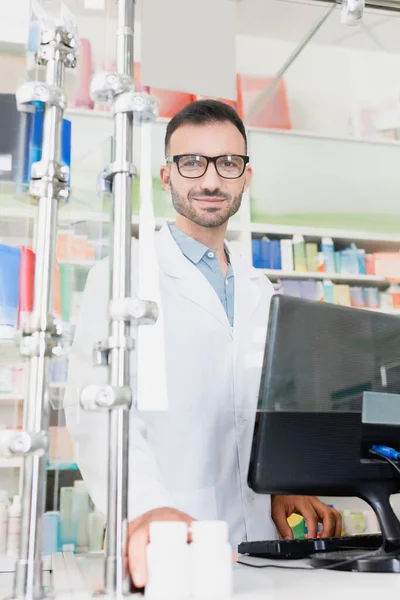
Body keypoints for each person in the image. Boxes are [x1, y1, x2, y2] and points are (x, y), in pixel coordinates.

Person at [65, 99, 341, 587]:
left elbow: (258, 412)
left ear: (245, 177)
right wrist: (145, 507)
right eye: (191, 163)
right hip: (167, 543)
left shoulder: (262, 290)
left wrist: (282, 485)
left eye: (227, 163)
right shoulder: (124, 276)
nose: (210, 181)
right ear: (166, 175)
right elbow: (96, 409)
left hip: (261, 547)